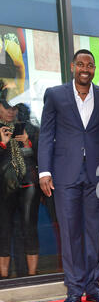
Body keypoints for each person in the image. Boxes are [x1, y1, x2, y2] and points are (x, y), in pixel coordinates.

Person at [38, 49, 99, 302]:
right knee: (70, 232)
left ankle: (93, 286)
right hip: (64, 173)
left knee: (94, 231)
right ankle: (74, 288)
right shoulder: (56, 95)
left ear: (94, 69)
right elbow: (46, 134)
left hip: (97, 172)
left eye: (90, 65)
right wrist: (44, 171)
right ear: (72, 67)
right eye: (80, 64)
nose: (85, 68)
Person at [0, 100, 40, 278]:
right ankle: (5, 278)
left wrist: (28, 141)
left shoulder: (29, 128)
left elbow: (43, 155)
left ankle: (32, 276)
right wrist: (3, 143)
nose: (10, 111)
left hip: (28, 185)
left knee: (29, 228)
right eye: (6, 108)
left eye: (13, 108)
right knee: (4, 230)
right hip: (4, 187)